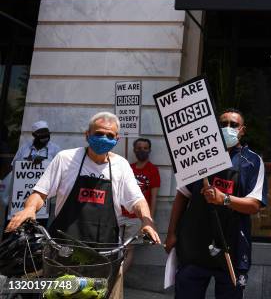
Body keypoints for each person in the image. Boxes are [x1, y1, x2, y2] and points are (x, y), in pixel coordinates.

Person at [6, 112, 161, 298]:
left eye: (110, 136)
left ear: (117, 138)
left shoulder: (121, 165)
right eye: (99, 134)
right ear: (87, 135)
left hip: (106, 256)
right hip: (63, 253)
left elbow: (137, 200)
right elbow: (40, 192)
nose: (104, 138)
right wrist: (30, 209)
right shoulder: (66, 158)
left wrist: (147, 220)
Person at [165, 108, 267, 299]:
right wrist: (171, 234)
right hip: (194, 247)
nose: (227, 128)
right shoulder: (198, 155)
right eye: (223, 124)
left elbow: (254, 205)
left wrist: (224, 199)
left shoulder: (253, 161)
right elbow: (182, 195)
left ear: (242, 130)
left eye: (233, 125)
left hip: (232, 248)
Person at [1, 121, 61, 230]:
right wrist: (27, 163)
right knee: (14, 226)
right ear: (34, 135)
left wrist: (44, 163)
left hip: (40, 199)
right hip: (18, 197)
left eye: (46, 135)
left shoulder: (55, 149)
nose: (44, 138)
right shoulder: (24, 148)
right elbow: (13, 167)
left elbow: (58, 170)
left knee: (38, 227)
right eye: (41, 135)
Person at [120, 137, 161, 272]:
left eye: (145, 148)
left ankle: (117, 281)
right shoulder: (128, 168)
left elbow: (154, 197)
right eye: (138, 148)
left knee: (128, 249)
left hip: (137, 217)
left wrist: (150, 220)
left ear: (149, 150)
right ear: (134, 150)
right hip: (121, 214)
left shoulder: (153, 170)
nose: (142, 151)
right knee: (116, 248)